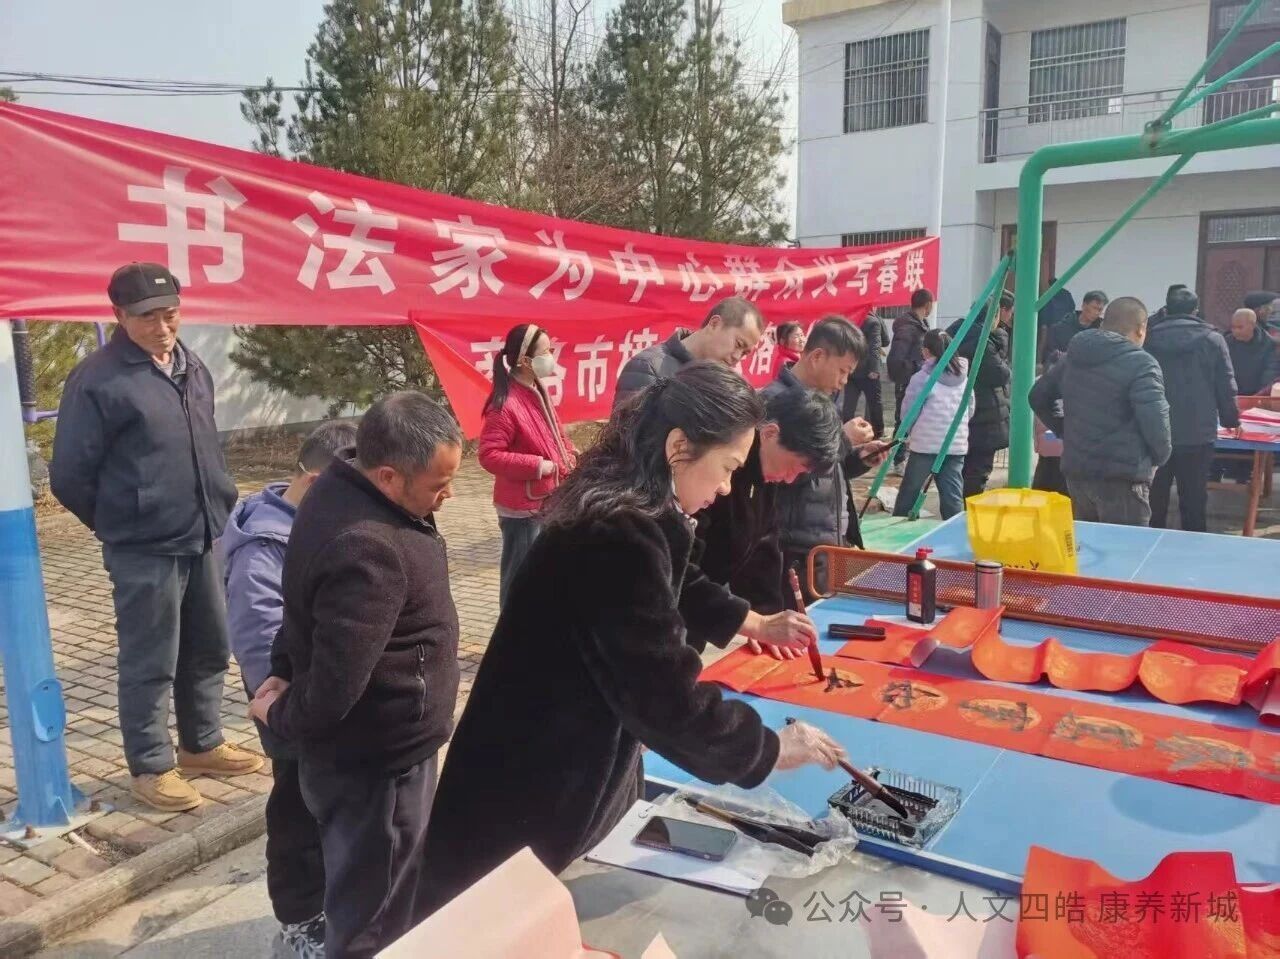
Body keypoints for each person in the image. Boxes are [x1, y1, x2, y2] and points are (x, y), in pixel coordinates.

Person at [416, 363, 850, 917]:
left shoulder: (638, 511)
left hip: (562, 761)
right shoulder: (617, 532)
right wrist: (767, 749)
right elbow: (664, 694)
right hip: (532, 779)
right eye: (726, 468)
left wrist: (753, 622)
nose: (725, 487)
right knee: (486, 921)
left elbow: (677, 585)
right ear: (679, 447)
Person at [250, 393, 463, 958]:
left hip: (374, 754)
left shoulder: (337, 488)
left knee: (367, 887)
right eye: (439, 485)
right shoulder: (368, 547)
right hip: (380, 763)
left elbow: (304, 612)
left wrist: (282, 669)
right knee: (376, 910)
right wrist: (279, 712)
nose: (449, 496)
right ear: (388, 475)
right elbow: (334, 685)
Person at [50, 262, 261, 813]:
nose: (162, 327)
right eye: (146, 317)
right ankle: (150, 765)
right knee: (150, 659)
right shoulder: (98, 380)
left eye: (170, 314)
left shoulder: (192, 366)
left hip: (204, 533)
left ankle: (202, 743)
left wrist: (218, 500)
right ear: (119, 316)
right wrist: (124, 522)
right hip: (143, 547)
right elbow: (69, 475)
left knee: (209, 646)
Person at [220, 420, 357, 958]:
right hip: (290, 713)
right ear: (318, 482)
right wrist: (295, 709)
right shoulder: (263, 550)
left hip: (325, 705)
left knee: (332, 811)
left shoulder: (318, 522)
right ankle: (300, 921)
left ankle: (335, 904)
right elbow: (261, 651)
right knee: (299, 814)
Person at [763, 317, 892, 602]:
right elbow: (780, 474)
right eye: (843, 371)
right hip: (794, 548)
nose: (844, 381)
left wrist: (859, 458)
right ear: (817, 357)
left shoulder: (825, 402)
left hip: (830, 540)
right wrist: (843, 439)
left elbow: (828, 468)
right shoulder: (776, 402)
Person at [695, 387, 842, 628]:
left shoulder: (765, 473)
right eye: (793, 467)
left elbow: (763, 549)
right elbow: (681, 571)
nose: (790, 480)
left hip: (701, 610)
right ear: (770, 433)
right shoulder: (715, 468)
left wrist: (766, 617)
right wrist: (754, 623)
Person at [1029, 298, 1171, 527]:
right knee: (1126, 546)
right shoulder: (1142, 363)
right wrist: (1160, 456)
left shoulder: (1074, 356)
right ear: (1141, 329)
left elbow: (1037, 396)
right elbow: (1156, 420)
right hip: (1123, 477)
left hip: (1078, 471)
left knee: (1088, 543)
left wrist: (1065, 431)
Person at [477, 323, 577, 606]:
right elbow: (489, 455)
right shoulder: (505, 404)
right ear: (524, 360)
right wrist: (538, 466)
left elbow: (555, 433)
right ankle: (510, 631)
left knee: (542, 576)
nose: (551, 357)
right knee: (518, 580)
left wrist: (569, 453)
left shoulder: (535, 389)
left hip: (547, 500)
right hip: (523, 510)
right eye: (545, 352)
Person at [1144, 288, 1240, 532]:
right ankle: (1193, 544)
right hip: (1198, 431)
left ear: (1166, 309)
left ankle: (1148, 544)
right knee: (1194, 497)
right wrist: (1231, 419)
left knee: (1154, 497)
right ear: (1195, 311)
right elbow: (1225, 383)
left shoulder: (1149, 338)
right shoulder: (1213, 339)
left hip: (1155, 430)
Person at [613, 296, 765, 408]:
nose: (737, 357)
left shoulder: (724, 384)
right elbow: (628, 436)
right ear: (714, 324)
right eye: (738, 344)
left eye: (744, 353)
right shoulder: (648, 368)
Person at [893, 331, 972, 520]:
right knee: (952, 493)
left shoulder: (922, 378)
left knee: (911, 490)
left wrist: (908, 432)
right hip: (955, 444)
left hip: (925, 444)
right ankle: (954, 528)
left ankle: (900, 523)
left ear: (926, 351)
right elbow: (970, 408)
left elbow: (909, 411)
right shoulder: (964, 378)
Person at [948, 292, 1014, 498]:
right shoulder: (983, 340)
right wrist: (1001, 343)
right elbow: (1000, 374)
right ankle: (969, 509)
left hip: (960, 409)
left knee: (960, 466)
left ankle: (956, 506)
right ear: (994, 316)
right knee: (978, 469)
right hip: (985, 413)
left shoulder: (956, 334)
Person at [886, 289, 934, 473]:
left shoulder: (921, 325)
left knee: (916, 420)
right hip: (908, 381)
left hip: (918, 379)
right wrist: (915, 369)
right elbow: (896, 359)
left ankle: (906, 457)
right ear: (927, 305)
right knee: (903, 421)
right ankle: (898, 460)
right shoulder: (907, 327)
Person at [844, 312, 887, 439]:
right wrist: (874, 368)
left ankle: (845, 433)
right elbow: (878, 345)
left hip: (851, 368)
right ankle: (878, 432)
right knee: (874, 403)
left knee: (849, 404)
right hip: (868, 370)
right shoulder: (872, 321)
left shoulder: (849, 317)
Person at [1041, 290, 1108, 366]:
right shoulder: (1059, 328)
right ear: (1084, 305)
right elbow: (1048, 357)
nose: (1096, 313)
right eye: (1094, 308)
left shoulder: (1102, 330)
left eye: (1100, 310)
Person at [1227, 308, 1280, 396]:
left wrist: (1257, 398)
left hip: (1258, 396)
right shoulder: (1227, 342)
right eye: (1233, 327)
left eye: (1240, 327)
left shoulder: (1270, 345)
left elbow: (1270, 375)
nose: (1236, 331)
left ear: (1252, 325)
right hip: (1232, 395)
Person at [1037, 279, 1075, 345]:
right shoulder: (1067, 294)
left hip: (1051, 328)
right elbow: (1072, 308)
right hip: (1066, 327)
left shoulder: (1048, 296)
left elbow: (1045, 316)